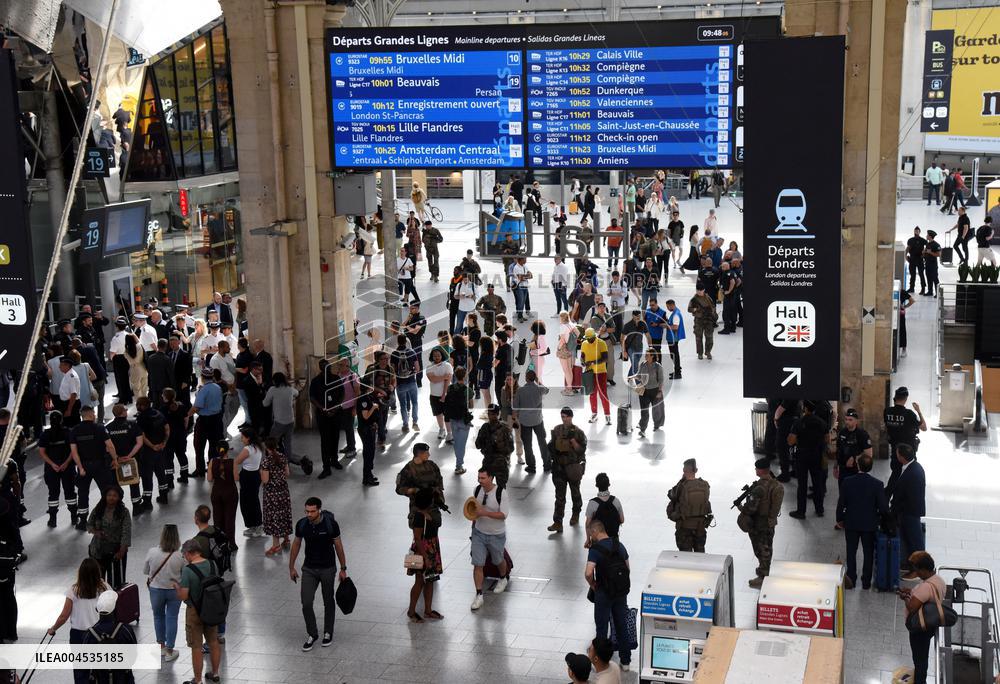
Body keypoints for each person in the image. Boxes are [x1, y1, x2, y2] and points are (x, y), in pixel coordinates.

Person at [289, 497, 348, 650]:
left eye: (312, 511)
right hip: (308, 568)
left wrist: (343, 569)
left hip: (327, 568)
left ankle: (328, 632)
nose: (309, 514)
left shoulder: (330, 525)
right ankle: (312, 633)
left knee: (328, 600)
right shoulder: (302, 524)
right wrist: (291, 567)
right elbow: (296, 544)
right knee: (306, 602)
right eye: (307, 511)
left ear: (319, 510)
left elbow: (338, 546)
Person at [48, 558, 109, 684]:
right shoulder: (105, 588)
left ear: (80, 573)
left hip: (79, 635)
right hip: (99, 634)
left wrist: (53, 628)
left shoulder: (74, 590)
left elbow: (64, 616)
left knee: (80, 670)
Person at [585, 520, 632, 671]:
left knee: (601, 628)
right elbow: (627, 568)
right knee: (621, 625)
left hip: (603, 593)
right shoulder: (619, 545)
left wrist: (593, 585)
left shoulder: (595, 549)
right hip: (620, 592)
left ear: (594, 532)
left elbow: (588, 573)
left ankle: (601, 662)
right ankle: (625, 662)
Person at [837, 454, 888, 590]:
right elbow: (883, 507)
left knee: (851, 551)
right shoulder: (877, 484)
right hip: (869, 524)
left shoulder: (847, 481)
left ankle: (851, 579)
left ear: (857, 465)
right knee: (868, 552)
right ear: (871, 467)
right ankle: (866, 581)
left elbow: (841, 502)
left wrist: (840, 519)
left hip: (851, 522)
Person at [174, 539, 222, 684]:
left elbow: (184, 595)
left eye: (184, 555)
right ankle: (215, 673)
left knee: (196, 646)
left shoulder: (188, 571)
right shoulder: (212, 564)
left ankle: (198, 680)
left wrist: (177, 588)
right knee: (213, 641)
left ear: (188, 553)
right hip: (212, 609)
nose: (184, 558)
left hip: (194, 612)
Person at [898, 551, 947, 684]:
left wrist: (906, 598)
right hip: (931, 623)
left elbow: (912, 607)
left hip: (920, 628)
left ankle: (920, 681)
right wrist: (912, 592)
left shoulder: (926, 586)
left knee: (919, 659)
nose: (916, 573)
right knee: (922, 656)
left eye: (917, 569)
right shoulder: (939, 580)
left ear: (924, 569)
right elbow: (925, 598)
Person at [738, 459, 784, 588]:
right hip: (770, 522)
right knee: (768, 547)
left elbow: (751, 508)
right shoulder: (776, 485)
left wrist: (741, 508)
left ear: (759, 470)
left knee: (761, 549)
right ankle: (766, 571)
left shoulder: (760, 488)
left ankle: (763, 576)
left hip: (759, 524)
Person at [71, 406, 118, 530]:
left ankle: (82, 521)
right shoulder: (100, 428)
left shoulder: (75, 430)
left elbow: (74, 452)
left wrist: (80, 467)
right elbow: (110, 446)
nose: (95, 415)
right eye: (94, 413)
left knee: (83, 493)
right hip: (100, 465)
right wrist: (115, 459)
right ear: (91, 414)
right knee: (106, 491)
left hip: (84, 466)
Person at [143, 523, 185, 662]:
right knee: (172, 618)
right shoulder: (181, 555)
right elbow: (184, 574)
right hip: (174, 590)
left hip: (156, 590)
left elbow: (145, 571)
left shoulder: (152, 552)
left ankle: (160, 646)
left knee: (158, 616)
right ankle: (170, 650)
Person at [469, 468, 510, 610]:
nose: (480, 481)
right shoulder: (477, 490)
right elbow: (473, 509)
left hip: (496, 534)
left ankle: (503, 577)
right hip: (479, 533)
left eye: (483, 478)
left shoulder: (500, 493)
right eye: (479, 478)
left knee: (498, 559)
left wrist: (484, 513)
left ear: (491, 478)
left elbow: (503, 515)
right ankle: (479, 595)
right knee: (478, 564)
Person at [405, 488, 444, 622]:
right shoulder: (419, 517)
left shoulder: (426, 513)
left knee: (431, 580)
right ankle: (411, 611)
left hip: (431, 550)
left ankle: (428, 610)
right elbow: (417, 538)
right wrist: (426, 558)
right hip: (422, 552)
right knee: (419, 582)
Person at [547, 408, 588, 533]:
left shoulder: (578, 432)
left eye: (565, 417)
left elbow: (582, 450)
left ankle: (576, 513)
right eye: (562, 417)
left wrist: (573, 441)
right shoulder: (557, 429)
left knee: (575, 493)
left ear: (571, 417)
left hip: (572, 467)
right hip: (559, 467)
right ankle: (558, 522)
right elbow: (551, 445)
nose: (564, 419)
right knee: (559, 496)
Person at [787, 401, 829, 519]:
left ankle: (801, 512)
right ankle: (819, 509)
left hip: (802, 456)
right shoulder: (822, 422)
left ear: (805, 409)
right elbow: (827, 440)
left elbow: (791, 441)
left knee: (802, 484)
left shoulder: (799, 422)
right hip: (817, 455)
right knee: (818, 483)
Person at [38, 410, 78, 527]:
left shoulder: (45, 434)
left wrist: (52, 464)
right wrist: (66, 463)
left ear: (50, 420)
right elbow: (73, 450)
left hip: (52, 469)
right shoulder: (68, 433)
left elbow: (42, 452)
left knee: (53, 493)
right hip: (67, 468)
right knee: (70, 492)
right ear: (61, 420)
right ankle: (74, 517)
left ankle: (52, 519)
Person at [886, 444, 926, 561]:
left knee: (915, 542)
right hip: (908, 512)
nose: (896, 455)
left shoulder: (912, 473)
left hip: (910, 513)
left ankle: (919, 567)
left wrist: (896, 509)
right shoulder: (913, 467)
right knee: (910, 540)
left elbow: (909, 496)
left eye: (897, 453)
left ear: (902, 457)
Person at [87, 485, 132, 588]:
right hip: (97, 550)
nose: (111, 497)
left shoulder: (124, 512)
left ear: (119, 497)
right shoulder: (98, 509)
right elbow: (89, 524)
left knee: (116, 583)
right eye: (109, 495)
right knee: (97, 581)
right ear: (105, 496)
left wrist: (122, 550)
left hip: (116, 553)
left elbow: (126, 532)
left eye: (114, 495)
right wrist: (96, 532)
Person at [667, 459, 713, 552]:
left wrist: (681, 480)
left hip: (684, 527)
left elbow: (670, 494)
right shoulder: (705, 485)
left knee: (685, 558)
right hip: (700, 527)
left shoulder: (682, 486)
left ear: (684, 470)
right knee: (700, 556)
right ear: (696, 470)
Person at [884, 386, 927, 476]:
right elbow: (924, 428)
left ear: (895, 397)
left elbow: (887, 428)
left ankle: (893, 489)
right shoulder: (909, 414)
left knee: (895, 474)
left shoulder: (887, 411)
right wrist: (918, 411)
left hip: (895, 451)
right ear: (906, 398)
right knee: (909, 476)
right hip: (908, 452)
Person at [261, 438, 293, 555]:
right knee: (284, 514)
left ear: (266, 447)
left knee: (274, 517)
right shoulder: (283, 457)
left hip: (271, 493)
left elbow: (265, 480)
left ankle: (276, 546)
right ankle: (286, 539)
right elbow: (287, 474)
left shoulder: (266, 461)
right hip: (283, 491)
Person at [207, 443, 239, 548]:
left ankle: (219, 543)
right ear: (227, 450)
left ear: (217, 450)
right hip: (230, 493)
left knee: (217, 519)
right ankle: (231, 544)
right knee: (230, 519)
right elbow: (236, 478)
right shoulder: (232, 462)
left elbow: (209, 478)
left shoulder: (212, 461)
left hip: (216, 492)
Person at [234, 426, 264, 538]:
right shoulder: (258, 446)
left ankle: (256, 525)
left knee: (247, 502)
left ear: (248, 438)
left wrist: (236, 477)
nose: (241, 439)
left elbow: (235, 462)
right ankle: (254, 526)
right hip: (255, 476)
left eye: (243, 437)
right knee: (253, 501)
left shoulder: (247, 449)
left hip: (247, 477)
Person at [443, 367, 474, 475]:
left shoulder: (450, 388)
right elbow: (471, 405)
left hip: (452, 419)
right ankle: (459, 466)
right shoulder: (468, 390)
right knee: (462, 444)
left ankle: (458, 463)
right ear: (465, 376)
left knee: (457, 442)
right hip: (463, 420)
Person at [475, 404, 515, 487]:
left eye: (492, 414)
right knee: (485, 487)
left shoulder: (504, 429)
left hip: (500, 463)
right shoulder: (485, 427)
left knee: (501, 489)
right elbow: (478, 444)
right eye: (489, 414)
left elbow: (511, 448)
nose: (490, 417)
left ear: (498, 414)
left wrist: (501, 448)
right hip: (488, 460)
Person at [579, 328, 611, 425]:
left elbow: (605, 358)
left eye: (590, 338)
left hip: (601, 372)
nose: (588, 340)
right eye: (587, 338)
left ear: (594, 336)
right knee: (592, 394)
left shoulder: (601, 343)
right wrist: (583, 362)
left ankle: (607, 415)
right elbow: (582, 356)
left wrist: (593, 362)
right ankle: (594, 414)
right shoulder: (584, 344)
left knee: (603, 394)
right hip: (590, 373)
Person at [584, 473, 625, 547]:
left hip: (598, 542)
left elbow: (587, 525)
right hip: (614, 541)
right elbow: (622, 520)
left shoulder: (592, 503)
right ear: (609, 485)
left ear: (596, 485)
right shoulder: (616, 501)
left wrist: (588, 539)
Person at [633, 348, 664, 436]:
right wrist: (632, 377)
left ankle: (657, 424)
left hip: (655, 390)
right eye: (645, 355)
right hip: (644, 391)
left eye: (647, 355)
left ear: (652, 356)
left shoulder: (658, 366)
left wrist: (660, 391)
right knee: (644, 410)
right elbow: (639, 375)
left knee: (656, 410)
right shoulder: (643, 364)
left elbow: (661, 380)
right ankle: (643, 429)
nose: (645, 356)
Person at [687, 284, 717, 360]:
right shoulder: (694, 299)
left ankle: (708, 352)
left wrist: (713, 313)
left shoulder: (708, 298)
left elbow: (713, 306)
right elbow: (689, 309)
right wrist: (695, 309)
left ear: (704, 290)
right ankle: (700, 353)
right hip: (699, 320)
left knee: (709, 337)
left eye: (700, 290)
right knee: (698, 338)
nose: (699, 292)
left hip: (708, 320)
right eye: (698, 290)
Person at [663, 299, 685, 380]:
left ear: (671, 305)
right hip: (673, 338)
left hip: (673, 338)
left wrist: (665, 326)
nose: (667, 308)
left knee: (675, 355)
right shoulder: (676, 312)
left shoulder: (676, 315)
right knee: (675, 355)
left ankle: (678, 372)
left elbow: (675, 327)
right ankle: (677, 370)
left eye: (668, 306)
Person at [904, 227, 927, 294]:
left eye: (917, 231)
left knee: (921, 274)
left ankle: (923, 289)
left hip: (920, 259)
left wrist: (924, 253)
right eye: (915, 231)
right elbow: (908, 248)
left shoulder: (923, 240)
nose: (916, 232)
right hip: (912, 259)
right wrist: (905, 256)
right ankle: (911, 288)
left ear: (920, 232)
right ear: (914, 231)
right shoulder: (910, 240)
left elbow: (928, 246)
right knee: (912, 275)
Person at [922, 230, 941, 297]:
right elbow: (926, 252)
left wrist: (930, 253)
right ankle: (930, 291)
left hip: (933, 265)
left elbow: (939, 254)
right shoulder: (927, 244)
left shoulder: (936, 245)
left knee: (935, 279)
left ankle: (938, 293)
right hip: (927, 264)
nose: (926, 236)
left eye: (927, 235)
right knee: (928, 278)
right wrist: (924, 252)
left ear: (930, 236)